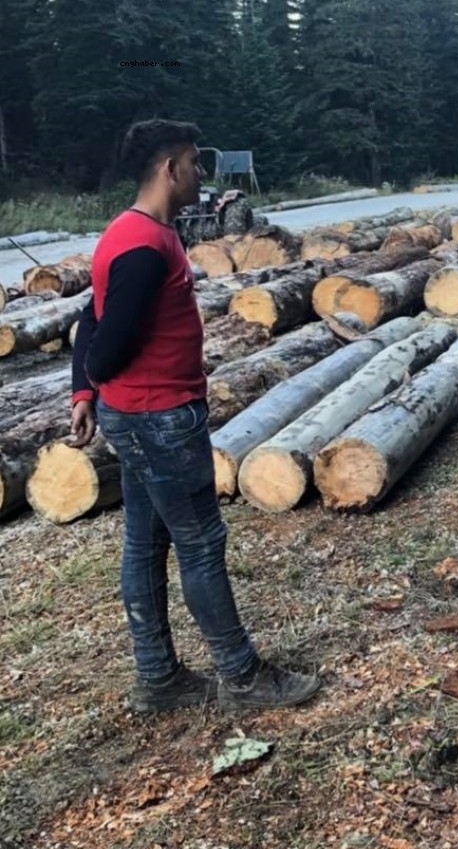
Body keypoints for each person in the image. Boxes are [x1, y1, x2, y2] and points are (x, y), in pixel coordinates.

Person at [69, 119, 320, 712]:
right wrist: (96, 381)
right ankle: (243, 676)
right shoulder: (143, 247)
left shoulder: (134, 232)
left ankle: (158, 680)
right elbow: (105, 338)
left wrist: (86, 395)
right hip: (158, 417)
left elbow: (89, 313)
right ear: (169, 168)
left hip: (139, 414)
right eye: (193, 163)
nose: (199, 174)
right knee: (201, 544)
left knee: (145, 541)